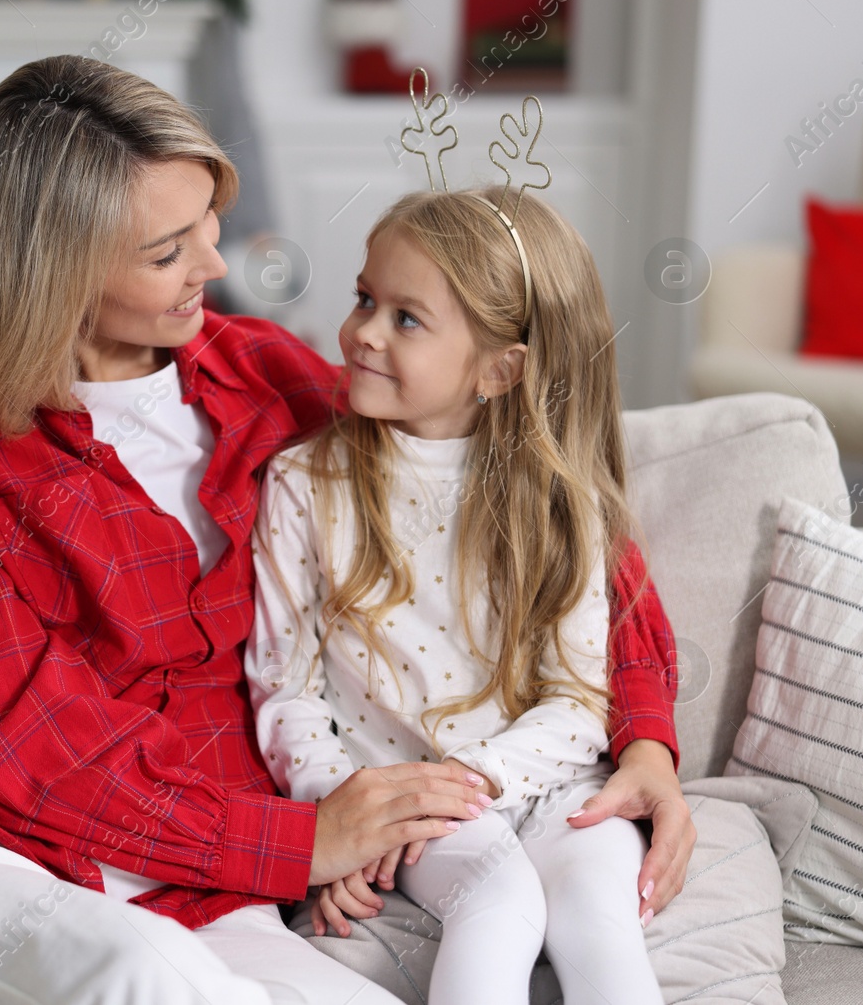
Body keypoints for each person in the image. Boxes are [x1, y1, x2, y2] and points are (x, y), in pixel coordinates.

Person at [0, 55, 695, 1005]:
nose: (217, 267)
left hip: (194, 884)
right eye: (169, 251)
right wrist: (302, 841)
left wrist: (646, 737)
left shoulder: (262, 376)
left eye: (210, 226)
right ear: (52, 269)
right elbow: (14, 735)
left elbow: (549, 501)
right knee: (140, 978)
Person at [248, 187, 664, 1004]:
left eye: (406, 317)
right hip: (403, 797)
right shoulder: (306, 483)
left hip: (545, 782)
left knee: (597, 914)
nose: (363, 330)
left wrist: (473, 775)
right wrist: (343, 814)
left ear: (498, 369)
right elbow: (281, 687)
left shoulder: (561, 501)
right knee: (499, 905)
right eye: (366, 297)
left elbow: (580, 702)